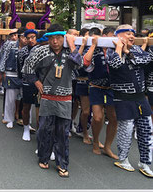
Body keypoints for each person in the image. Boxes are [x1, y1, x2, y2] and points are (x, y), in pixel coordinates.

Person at [22, 23, 83, 177]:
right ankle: (43, 157)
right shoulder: (41, 51)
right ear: (48, 39)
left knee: (63, 132)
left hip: (65, 98)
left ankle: (63, 164)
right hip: (47, 97)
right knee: (44, 130)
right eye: (52, 38)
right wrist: (36, 82)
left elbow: (79, 64)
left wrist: (71, 44)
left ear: (63, 38)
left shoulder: (70, 51)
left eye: (58, 38)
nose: (55, 41)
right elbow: (27, 67)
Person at [107, 24, 153, 177]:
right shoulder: (111, 50)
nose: (132, 36)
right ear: (118, 35)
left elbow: (146, 60)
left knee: (146, 127)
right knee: (126, 129)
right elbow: (115, 64)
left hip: (140, 96)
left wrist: (127, 51)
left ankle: (145, 162)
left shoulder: (137, 50)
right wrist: (120, 49)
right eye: (127, 33)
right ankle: (123, 159)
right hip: (123, 96)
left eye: (133, 33)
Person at [83, 27, 118, 159]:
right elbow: (86, 63)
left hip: (111, 87)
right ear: (104, 36)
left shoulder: (115, 49)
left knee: (113, 117)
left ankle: (108, 146)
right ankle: (96, 141)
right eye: (110, 36)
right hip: (96, 86)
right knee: (97, 117)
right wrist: (93, 45)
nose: (112, 39)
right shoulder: (95, 47)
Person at [17, 29, 39, 141]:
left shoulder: (42, 49)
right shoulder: (22, 51)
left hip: (40, 82)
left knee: (39, 108)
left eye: (33, 37)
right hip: (26, 81)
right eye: (28, 38)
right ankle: (26, 128)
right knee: (26, 106)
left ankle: (40, 131)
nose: (31, 40)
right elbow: (20, 67)